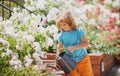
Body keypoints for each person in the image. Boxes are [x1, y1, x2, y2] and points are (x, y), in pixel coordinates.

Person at [55, 10, 94, 76]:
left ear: (70, 22)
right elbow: (59, 50)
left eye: (64, 24)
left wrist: (74, 47)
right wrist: (56, 61)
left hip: (83, 58)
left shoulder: (78, 31)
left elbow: (86, 43)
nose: (62, 27)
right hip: (69, 61)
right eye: (60, 25)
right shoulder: (61, 35)